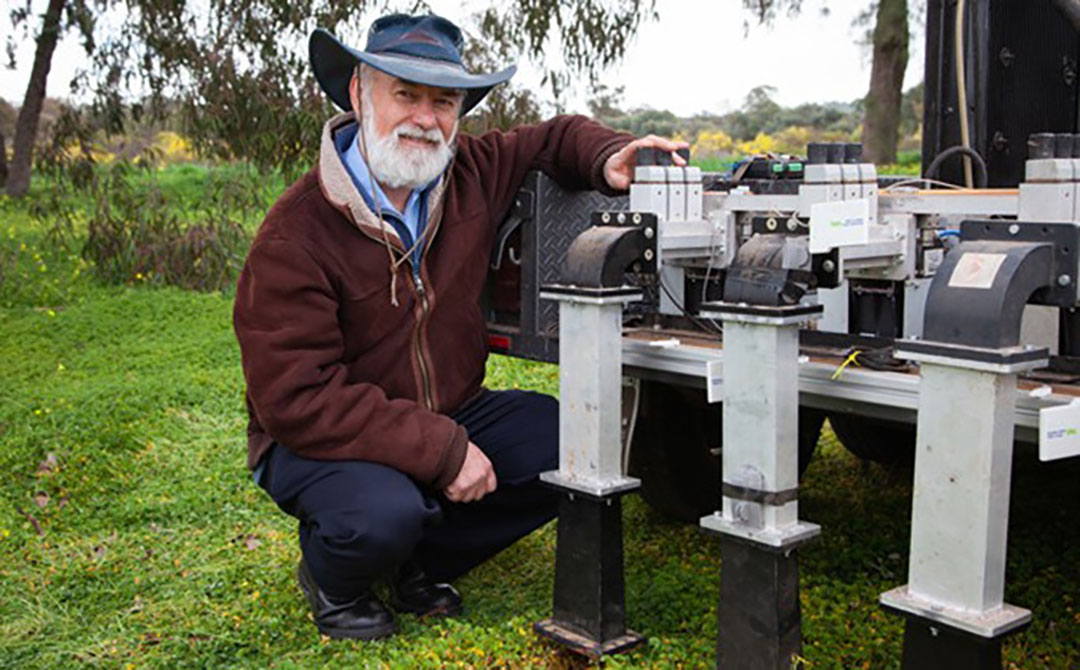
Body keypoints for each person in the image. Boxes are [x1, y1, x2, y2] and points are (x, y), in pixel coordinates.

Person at [232, 13, 687, 641]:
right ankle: (334, 581)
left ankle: (417, 561)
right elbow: (296, 398)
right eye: (406, 94)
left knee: (570, 446)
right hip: (317, 438)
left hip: (450, 408)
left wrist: (611, 155)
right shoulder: (295, 234)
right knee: (379, 513)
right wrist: (442, 452)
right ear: (360, 92)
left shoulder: (469, 170)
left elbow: (554, 138)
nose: (425, 117)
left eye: (443, 101)